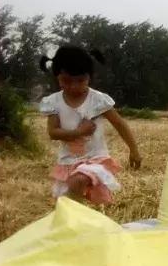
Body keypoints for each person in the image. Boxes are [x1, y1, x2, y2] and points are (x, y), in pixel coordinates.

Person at [38, 46, 142, 204]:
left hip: (95, 160)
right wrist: (79, 132)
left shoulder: (98, 100)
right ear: (57, 77)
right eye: (66, 81)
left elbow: (119, 124)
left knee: (78, 182)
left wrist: (134, 150)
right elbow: (53, 133)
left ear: (89, 77)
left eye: (80, 81)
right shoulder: (53, 102)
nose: (73, 86)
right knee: (69, 203)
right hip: (67, 162)